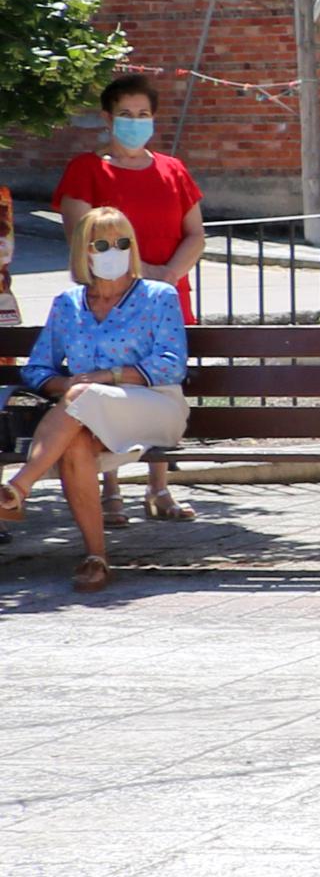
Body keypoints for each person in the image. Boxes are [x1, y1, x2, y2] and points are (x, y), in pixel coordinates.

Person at [10, 206, 189, 593]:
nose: (114, 250)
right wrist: (69, 384)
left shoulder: (159, 296)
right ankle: (96, 557)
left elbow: (172, 365)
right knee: (75, 442)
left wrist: (106, 377)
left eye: (123, 242)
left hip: (155, 405)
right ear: (84, 252)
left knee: (84, 396)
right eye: (102, 243)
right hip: (87, 415)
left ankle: (17, 488)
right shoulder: (68, 304)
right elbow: (37, 369)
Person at [55, 69, 207, 523]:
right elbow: (80, 236)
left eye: (143, 114)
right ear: (107, 117)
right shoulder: (87, 170)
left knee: (158, 388)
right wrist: (132, 279)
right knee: (107, 388)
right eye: (126, 114)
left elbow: (195, 234)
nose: (135, 121)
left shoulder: (173, 169)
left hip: (166, 303)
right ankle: (111, 490)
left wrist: (162, 278)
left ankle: (159, 489)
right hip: (108, 305)